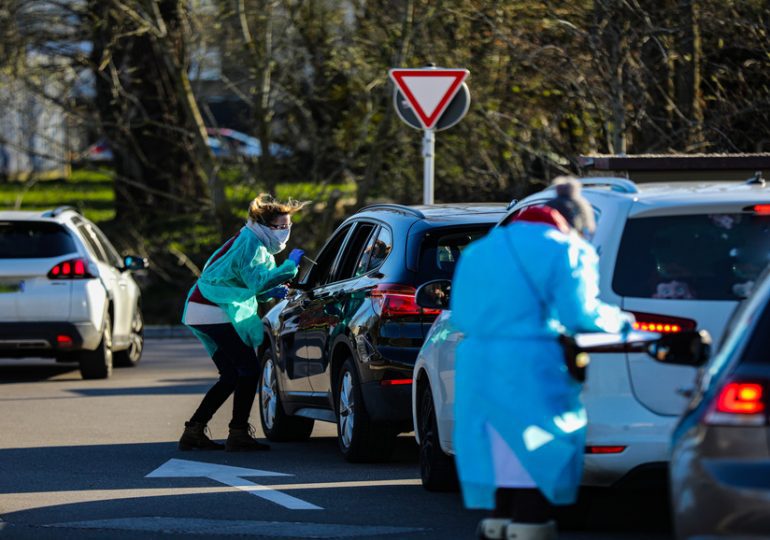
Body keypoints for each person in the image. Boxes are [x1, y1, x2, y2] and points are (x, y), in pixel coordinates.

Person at [450, 177, 633, 540]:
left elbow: (461, 313)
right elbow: (579, 314)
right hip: (530, 365)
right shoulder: (565, 249)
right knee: (538, 450)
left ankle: (497, 526)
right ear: (572, 222)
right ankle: (530, 529)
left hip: (478, 364)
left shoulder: (480, 251)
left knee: (499, 454)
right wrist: (624, 322)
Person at [179, 194, 306, 452]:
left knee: (231, 375)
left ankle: (194, 430)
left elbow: (251, 283)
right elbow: (257, 281)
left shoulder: (251, 240)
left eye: (288, 226)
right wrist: (291, 265)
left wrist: (272, 291)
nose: (284, 232)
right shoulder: (252, 244)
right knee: (248, 370)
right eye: (280, 227)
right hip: (214, 308)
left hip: (201, 308)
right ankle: (237, 433)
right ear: (263, 225)